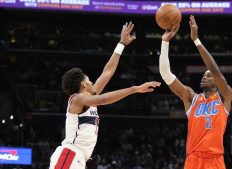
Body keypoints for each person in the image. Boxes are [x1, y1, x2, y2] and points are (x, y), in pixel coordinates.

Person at [49, 22, 161, 169]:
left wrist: (121, 44)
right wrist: (135, 89)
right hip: (70, 154)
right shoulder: (77, 98)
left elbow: (107, 72)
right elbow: (103, 99)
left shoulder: (89, 96)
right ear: (82, 85)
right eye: (88, 79)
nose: (92, 82)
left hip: (79, 159)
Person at [159, 15, 232, 169]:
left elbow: (214, 69)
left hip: (215, 160)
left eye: (208, 76)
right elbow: (166, 74)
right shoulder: (191, 97)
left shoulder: (225, 97)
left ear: (218, 82)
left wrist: (196, 40)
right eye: (203, 75)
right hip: (193, 159)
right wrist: (165, 42)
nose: (204, 77)